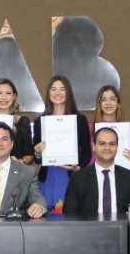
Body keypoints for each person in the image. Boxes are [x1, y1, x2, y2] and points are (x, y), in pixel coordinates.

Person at [32, 75, 91, 213]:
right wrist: (38, 153)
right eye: (53, 89)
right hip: (49, 176)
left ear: (68, 92)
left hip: (71, 176)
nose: (57, 93)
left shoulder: (80, 120)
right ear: (48, 93)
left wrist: (78, 167)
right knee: (48, 218)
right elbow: (37, 158)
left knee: (71, 217)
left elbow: (87, 153)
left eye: (62, 89)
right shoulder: (40, 122)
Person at [63, 127, 130, 216]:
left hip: (121, 224)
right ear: (93, 146)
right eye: (102, 143)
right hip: (90, 225)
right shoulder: (78, 178)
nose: (107, 148)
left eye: (112, 144)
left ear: (117, 147)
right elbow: (69, 213)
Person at [92, 85, 130, 164]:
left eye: (112, 99)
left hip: (121, 170)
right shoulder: (90, 127)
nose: (108, 103)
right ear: (100, 104)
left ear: (118, 103)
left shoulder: (128, 130)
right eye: (104, 100)